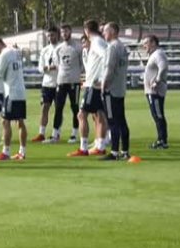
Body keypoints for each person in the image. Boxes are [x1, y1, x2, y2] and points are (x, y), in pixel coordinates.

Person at [69, 20, 109, 157]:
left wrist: (101, 78)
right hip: (93, 83)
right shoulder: (99, 41)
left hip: (94, 84)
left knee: (82, 114)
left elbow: (106, 57)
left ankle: (83, 148)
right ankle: (100, 146)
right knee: (99, 115)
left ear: (86, 30)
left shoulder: (97, 42)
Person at [0, 38, 28, 161]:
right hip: (21, 91)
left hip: (11, 92)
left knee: (5, 121)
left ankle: (6, 152)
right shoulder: (16, 51)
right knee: (20, 122)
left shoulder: (4, 54)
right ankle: (22, 152)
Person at [101, 22, 130, 160]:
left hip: (111, 89)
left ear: (112, 31)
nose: (103, 34)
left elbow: (109, 68)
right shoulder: (122, 47)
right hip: (120, 88)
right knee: (122, 120)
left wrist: (104, 84)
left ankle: (114, 152)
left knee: (112, 121)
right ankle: (125, 150)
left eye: (105, 31)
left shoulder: (112, 47)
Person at [50, 24, 83, 144]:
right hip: (61, 81)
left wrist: (75, 73)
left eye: (66, 32)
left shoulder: (77, 47)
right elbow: (58, 64)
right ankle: (55, 133)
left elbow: (82, 64)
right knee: (58, 107)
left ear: (70, 32)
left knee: (75, 108)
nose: (64, 34)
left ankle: (74, 134)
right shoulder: (58, 48)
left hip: (74, 81)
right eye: (62, 32)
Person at [32, 26, 60, 142]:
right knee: (44, 107)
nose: (50, 37)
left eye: (52, 35)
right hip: (46, 83)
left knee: (58, 109)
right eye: (48, 35)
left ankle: (56, 133)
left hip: (58, 83)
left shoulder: (61, 48)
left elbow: (61, 66)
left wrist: (51, 67)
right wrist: (48, 68)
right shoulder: (45, 50)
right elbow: (40, 67)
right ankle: (41, 133)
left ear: (57, 35)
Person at [143, 34, 169, 149]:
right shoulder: (154, 54)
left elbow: (163, 67)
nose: (144, 46)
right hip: (152, 91)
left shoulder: (158, 54)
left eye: (146, 43)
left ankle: (162, 140)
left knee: (158, 115)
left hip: (155, 91)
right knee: (156, 115)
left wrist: (156, 81)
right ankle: (161, 140)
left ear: (153, 43)